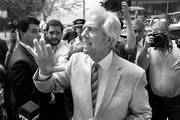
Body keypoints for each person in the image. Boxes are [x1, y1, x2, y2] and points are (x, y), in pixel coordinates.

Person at [27, 6, 151, 120]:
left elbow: (143, 114)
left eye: (91, 29)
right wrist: (44, 73)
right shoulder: (75, 61)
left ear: (108, 39)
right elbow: (49, 86)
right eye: (84, 28)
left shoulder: (134, 74)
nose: (83, 34)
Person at [136, 21, 180, 120]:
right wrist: (145, 47)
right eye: (153, 34)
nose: (156, 37)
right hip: (156, 101)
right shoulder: (150, 50)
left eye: (159, 33)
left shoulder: (178, 48)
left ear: (167, 33)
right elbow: (140, 65)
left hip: (177, 102)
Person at [7, 16, 45, 120]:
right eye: (34, 31)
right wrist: (49, 96)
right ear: (22, 34)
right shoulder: (21, 61)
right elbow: (26, 97)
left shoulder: (27, 51)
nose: (39, 35)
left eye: (39, 31)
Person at [42, 19, 70, 120]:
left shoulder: (65, 49)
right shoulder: (39, 46)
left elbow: (61, 69)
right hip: (40, 95)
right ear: (46, 33)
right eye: (51, 32)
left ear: (62, 33)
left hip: (58, 96)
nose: (54, 36)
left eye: (58, 33)